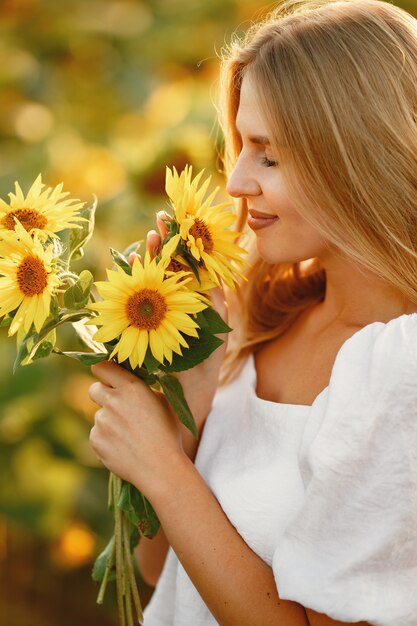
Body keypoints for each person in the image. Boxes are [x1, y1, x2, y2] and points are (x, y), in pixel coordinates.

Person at [88, 0, 417, 624]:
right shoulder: (267, 314)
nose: (235, 182)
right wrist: (190, 395)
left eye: (269, 155)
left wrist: (161, 467)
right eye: (241, 146)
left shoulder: (400, 369)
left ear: (359, 158)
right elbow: (164, 572)